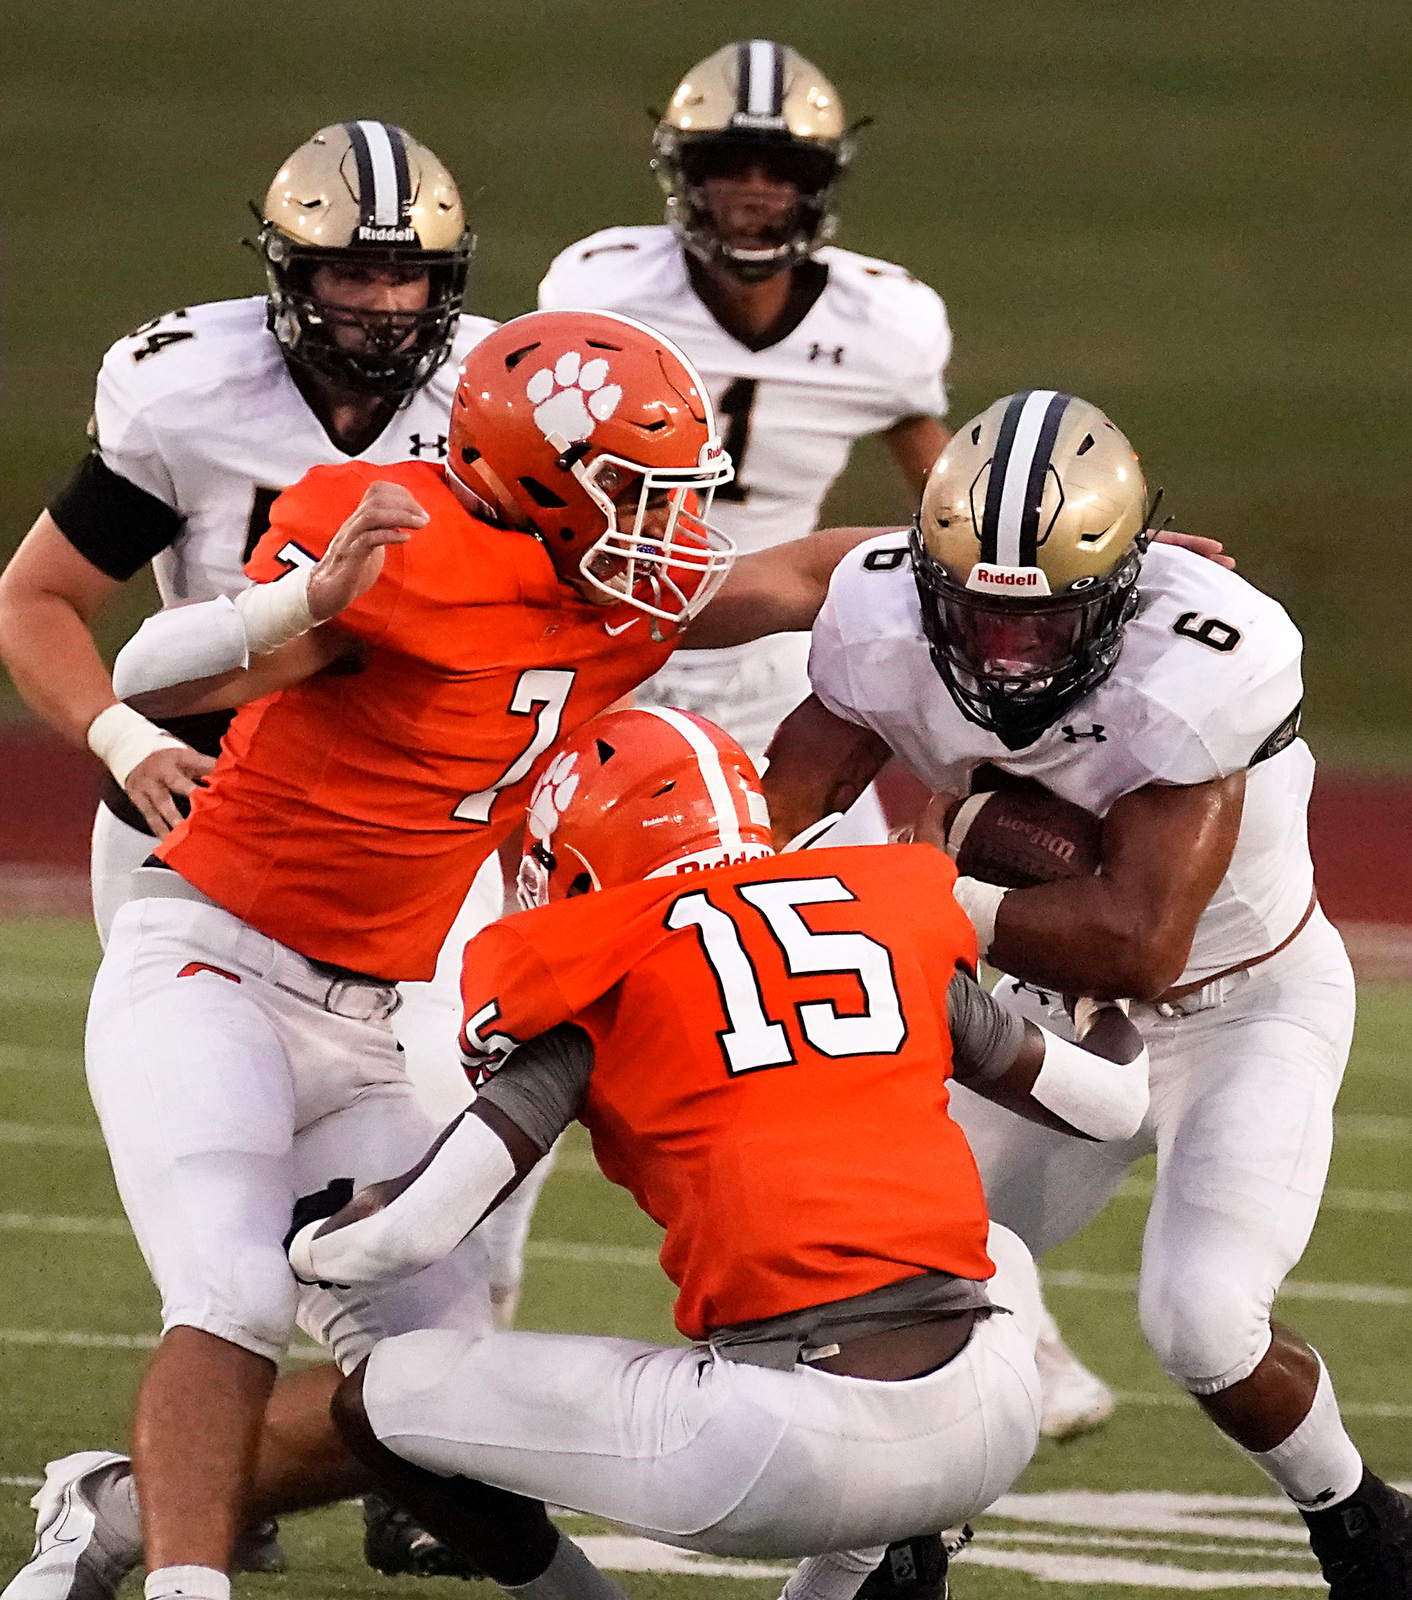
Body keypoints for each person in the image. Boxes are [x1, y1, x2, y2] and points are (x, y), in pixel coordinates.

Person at [0, 308, 907, 1600]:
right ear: (545, 477)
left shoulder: (611, 585)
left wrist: (1015, 559)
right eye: (642, 493)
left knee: (438, 1388)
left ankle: (121, 1514)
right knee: (233, 1295)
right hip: (212, 963)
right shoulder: (399, 541)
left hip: (381, 1009)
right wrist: (299, 605)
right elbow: (152, 674)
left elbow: (807, 577)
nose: (674, 526)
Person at [537, 36, 1117, 1441]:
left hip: (788, 721)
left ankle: (1010, 1326)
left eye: (777, 167)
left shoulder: (888, 325)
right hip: (607, 715)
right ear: (681, 176)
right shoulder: (595, 291)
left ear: (820, 180)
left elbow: (957, 505)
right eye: (727, 165)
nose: (750, 194)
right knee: (534, 1037)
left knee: (887, 1031)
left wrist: (1097, 562)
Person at [760, 388, 1412, 1597]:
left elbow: (1135, 944)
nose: (1004, 652)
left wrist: (912, 891)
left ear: (1119, 587)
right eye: (977, 614)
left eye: (1042, 622)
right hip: (1036, 1003)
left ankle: (1360, 1521)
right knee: (902, 1264)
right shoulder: (884, 615)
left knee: (1203, 1321)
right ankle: (900, 1536)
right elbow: (768, 825)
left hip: (1241, 1004)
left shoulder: (1204, 663)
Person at [278, 705, 1154, 1600]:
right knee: (994, 1251)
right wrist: (1096, 998)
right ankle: (882, 1558)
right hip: (990, 1421)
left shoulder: (599, 973)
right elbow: (1116, 1103)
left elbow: (409, 1237)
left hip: (778, 1447)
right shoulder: (889, 912)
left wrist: (308, 1246)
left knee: (380, 1398)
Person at [0, 118, 511, 1579]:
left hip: (410, 848)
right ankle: (181, 1521)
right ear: (288, 269)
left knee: (428, 1273)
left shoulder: (491, 397)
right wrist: (118, 740)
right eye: (352, 271)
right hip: (204, 838)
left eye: (410, 278)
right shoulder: (190, 387)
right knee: (225, 1260)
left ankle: (171, 1494)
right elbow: (38, 600)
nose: (383, 307)